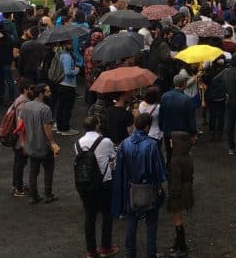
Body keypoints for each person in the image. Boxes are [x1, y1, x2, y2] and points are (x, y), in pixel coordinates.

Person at [112, 112, 168, 258]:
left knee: (132, 222)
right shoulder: (152, 145)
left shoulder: (125, 143)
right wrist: (159, 187)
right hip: (149, 188)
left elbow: (120, 170)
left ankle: (130, 253)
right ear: (147, 127)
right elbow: (158, 170)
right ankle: (151, 253)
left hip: (131, 188)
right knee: (151, 224)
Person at [75, 115, 118, 258]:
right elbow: (113, 158)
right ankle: (106, 247)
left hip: (84, 183)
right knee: (107, 214)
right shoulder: (105, 141)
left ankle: (91, 251)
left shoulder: (78, 143)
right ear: (97, 126)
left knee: (90, 216)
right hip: (103, 183)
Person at [17, 82, 59, 204]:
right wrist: (53, 143)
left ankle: (33, 196)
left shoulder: (26, 106)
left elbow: (20, 126)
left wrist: (23, 141)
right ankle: (48, 194)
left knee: (33, 172)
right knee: (48, 171)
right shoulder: (45, 109)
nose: (50, 93)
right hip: (44, 146)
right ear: (41, 94)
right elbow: (47, 129)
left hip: (31, 145)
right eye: (48, 92)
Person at [159, 73, 197, 166]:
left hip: (168, 132)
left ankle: (169, 172)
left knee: (169, 154)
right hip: (182, 133)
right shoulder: (187, 99)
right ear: (184, 84)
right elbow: (190, 119)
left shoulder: (165, 96)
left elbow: (161, 114)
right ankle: (180, 174)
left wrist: (162, 128)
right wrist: (193, 134)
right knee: (182, 155)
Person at [167, 131, 194, 258]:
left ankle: (181, 246)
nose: (170, 142)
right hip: (187, 189)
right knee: (179, 218)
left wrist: (172, 196)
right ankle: (178, 242)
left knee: (177, 219)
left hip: (178, 192)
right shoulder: (187, 156)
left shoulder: (175, 159)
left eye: (172, 140)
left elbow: (176, 181)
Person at [9, 80, 32, 197]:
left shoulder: (19, 100)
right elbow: (20, 124)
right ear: (25, 89)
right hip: (19, 138)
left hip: (16, 137)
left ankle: (17, 185)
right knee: (20, 162)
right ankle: (18, 188)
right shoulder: (24, 103)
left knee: (19, 162)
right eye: (30, 88)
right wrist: (23, 141)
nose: (32, 90)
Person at [55, 41, 81, 135]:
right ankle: (65, 128)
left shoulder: (60, 54)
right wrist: (76, 70)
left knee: (61, 107)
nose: (71, 45)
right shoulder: (66, 56)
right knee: (67, 107)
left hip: (61, 83)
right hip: (68, 85)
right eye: (69, 44)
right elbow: (68, 72)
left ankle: (60, 127)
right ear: (64, 45)